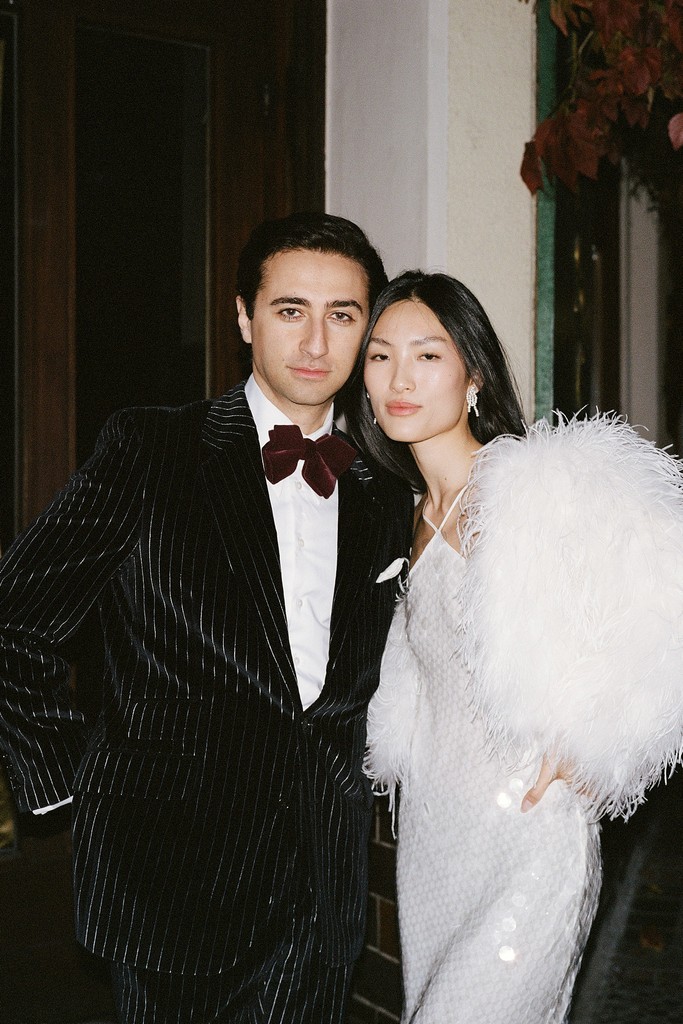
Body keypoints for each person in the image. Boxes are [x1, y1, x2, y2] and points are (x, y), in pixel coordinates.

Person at [0, 212, 414, 1024]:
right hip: (170, 879)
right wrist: (67, 783)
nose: (315, 343)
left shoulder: (385, 489)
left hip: (320, 890)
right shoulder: (152, 450)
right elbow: (17, 618)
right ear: (242, 318)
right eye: (290, 310)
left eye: (343, 316)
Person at [348, 270, 683, 1023]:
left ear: (472, 373)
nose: (398, 378)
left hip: (528, 837)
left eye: (426, 355)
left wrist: (605, 736)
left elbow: (669, 599)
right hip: (436, 841)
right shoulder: (405, 513)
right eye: (379, 355)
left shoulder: (532, 487)